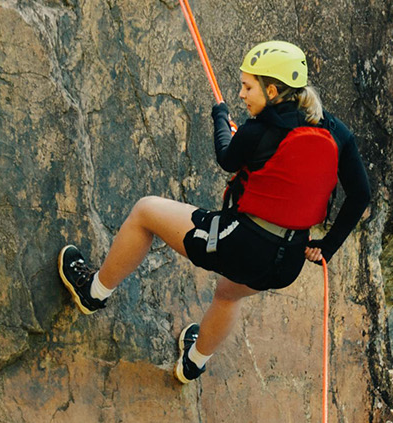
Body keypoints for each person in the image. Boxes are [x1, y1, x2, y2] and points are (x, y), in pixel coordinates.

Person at [56, 40, 371, 383]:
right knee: (228, 293)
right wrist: (328, 246)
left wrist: (220, 118)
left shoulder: (258, 128)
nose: (241, 94)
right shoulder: (334, 130)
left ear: (273, 90)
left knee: (145, 212)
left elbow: (227, 157)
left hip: (241, 244)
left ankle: (94, 292)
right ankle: (192, 363)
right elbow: (360, 194)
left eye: (247, 86)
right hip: (288, 261)